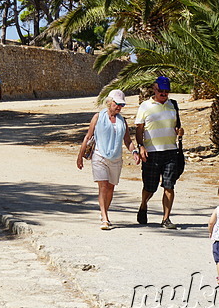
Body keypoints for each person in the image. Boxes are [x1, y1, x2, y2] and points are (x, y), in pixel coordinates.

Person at [77, 89, 139, 229]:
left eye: (121, 105)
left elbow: (127, 140)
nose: (118, 107)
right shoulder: (98, 117)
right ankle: (105, 218)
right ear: (109, 102)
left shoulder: (122, 121)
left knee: (111, 187)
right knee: (103, 186)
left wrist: (134, 151)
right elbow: (88, 137)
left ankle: (104, 210)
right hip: (99, 155)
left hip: (116, 158)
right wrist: (80, 156)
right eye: (116, 104)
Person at [134, 76, 184, 229]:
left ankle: (166, 219)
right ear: (154, 90)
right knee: (150, 187)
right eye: (161, 91)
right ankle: (143, 205)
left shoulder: (173, 105)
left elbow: (177, 127)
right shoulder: (145, 106)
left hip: (171, 151)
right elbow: (139, 129)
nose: (163, 94)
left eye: (166, 91)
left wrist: (180, 132)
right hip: (152, 153)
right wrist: (141, 146)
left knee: (169, 186)